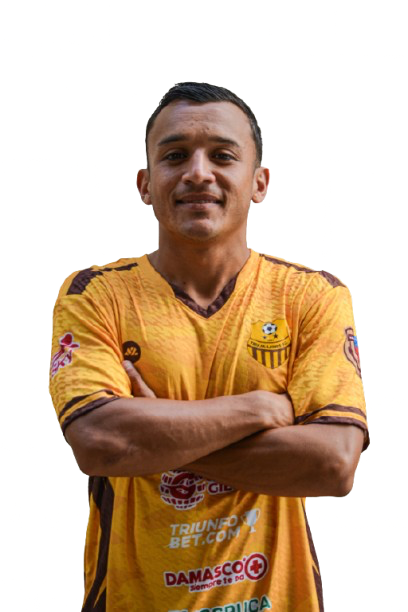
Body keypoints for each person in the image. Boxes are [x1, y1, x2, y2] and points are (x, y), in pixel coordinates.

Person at [48, 81, 370, 612]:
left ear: (259, 183)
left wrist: (157, 435)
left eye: (222, 155)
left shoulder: (310, 295)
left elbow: (332, 464)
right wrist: (262, 409)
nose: (198, 172)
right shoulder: (96, 293)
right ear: (145, 184)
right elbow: (101, 442)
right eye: (175, 156)